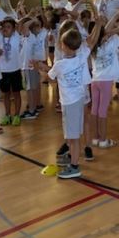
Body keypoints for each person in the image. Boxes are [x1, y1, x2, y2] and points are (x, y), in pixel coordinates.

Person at [37, 28, 92, 179]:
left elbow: (49, 78)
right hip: (79, 100)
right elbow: (90, 44)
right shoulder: (81, 56)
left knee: (73, 138)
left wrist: (38, 68)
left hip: (70, 104)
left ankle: (74, 166)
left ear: (65, 46)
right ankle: (72, 157)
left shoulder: (60, 65)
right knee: (74, 135)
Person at [86, 12, 119, 148]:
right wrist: (115, 19)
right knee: (102, 111)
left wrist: (103, 27)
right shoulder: (112, 42)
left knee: (94, 109)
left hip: (95, 80)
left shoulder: (91, 46)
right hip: (106, 81)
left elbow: (101, 33)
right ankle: (103, 140)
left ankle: (95, 138)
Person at [19, 15, 47, 119]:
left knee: (29, 89)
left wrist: (32, 19)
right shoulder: (28, 38)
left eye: (23, 28)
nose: (21, 29)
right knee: (32, 88)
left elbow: (25, 26)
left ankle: (31, 110)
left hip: (28, 67)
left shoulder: (30, 37)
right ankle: (34, 106)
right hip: (30, 66)